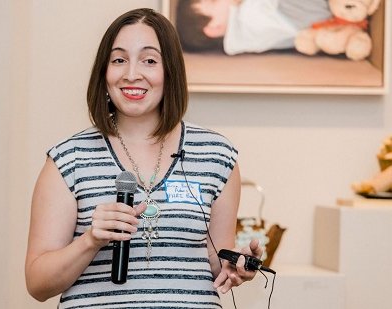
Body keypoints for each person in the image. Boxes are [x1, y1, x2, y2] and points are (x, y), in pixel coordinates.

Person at [25, 7, 262, 308]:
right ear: (104, 72)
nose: (131, 74)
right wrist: (90, 241)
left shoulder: (217, 155)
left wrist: (235, 264)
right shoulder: (68, 159)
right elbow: (37, 284)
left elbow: (215, 263)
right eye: (119, 60)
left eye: (149, 60)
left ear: (170, 72)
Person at [176, 0, 331, 55]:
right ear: (214, 28)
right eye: (214, 0)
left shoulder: (240, 39)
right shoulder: (245, 23)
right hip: (293, 15)